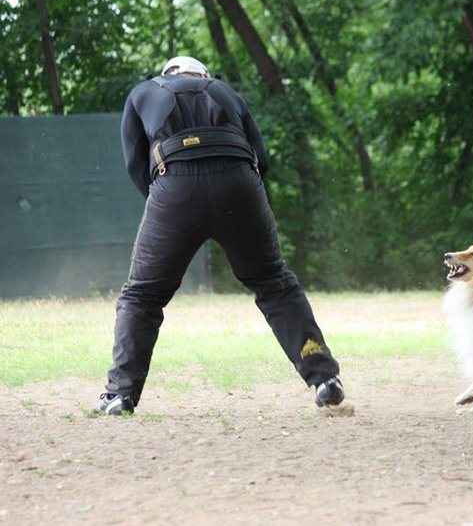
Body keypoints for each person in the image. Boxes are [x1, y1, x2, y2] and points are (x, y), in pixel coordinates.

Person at [93, 56, 343, 415]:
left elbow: (135, 164)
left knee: (142, 296)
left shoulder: (142, 92)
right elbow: (262, 158)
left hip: (173, 184)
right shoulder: (226, 92)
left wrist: (168, 202)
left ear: (167, 75)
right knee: (274, 283)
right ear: (204, 76)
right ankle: (324, 378)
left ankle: (120, 394)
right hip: (239, 181)